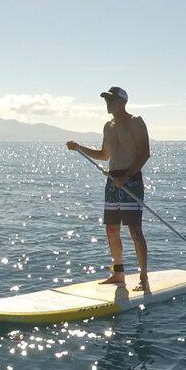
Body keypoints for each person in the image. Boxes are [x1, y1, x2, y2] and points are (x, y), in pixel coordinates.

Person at [66, 85, 151, 292]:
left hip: (131, 180)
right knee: (111, 228)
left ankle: (143, 277)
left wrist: (127, 176)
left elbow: (145, 153)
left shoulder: (135, 122)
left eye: (111, 99)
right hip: (113, 181)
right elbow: (105, 155)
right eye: (106, 100)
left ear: (123, 102)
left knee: (134, 230)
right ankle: (118, 274)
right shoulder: (108, 126)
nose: (108, 103)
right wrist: (80, 148)